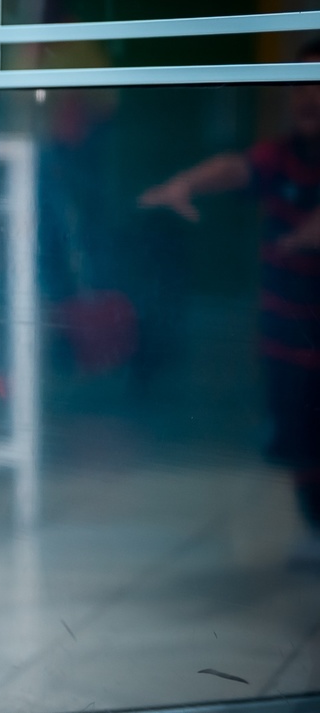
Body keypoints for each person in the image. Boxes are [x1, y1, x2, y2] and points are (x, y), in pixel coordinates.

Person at [138, 37, 320, 565]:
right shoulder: (281, 155)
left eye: (318, 83)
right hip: (288, 334)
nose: (307, 96)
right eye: (299, 85)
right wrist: (186, 183)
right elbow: (237, 168)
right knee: (297, 439)